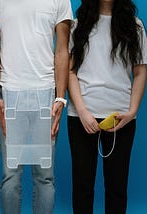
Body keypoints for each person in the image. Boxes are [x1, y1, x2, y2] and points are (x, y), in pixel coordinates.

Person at [0, 0, 73, 213]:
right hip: (10, 94)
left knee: (45, 176)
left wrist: (60, 98)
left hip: (46, 94)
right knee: (11, 175)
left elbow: (62, 50)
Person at [68, 0, 147, 213]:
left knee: (117, 187)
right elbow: (70, 72)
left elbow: (140, 72)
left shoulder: (135, 26)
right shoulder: (78, 25)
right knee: (82, 186)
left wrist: (132, 112)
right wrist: (83, 111)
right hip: (81, 116)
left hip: (120, 117)